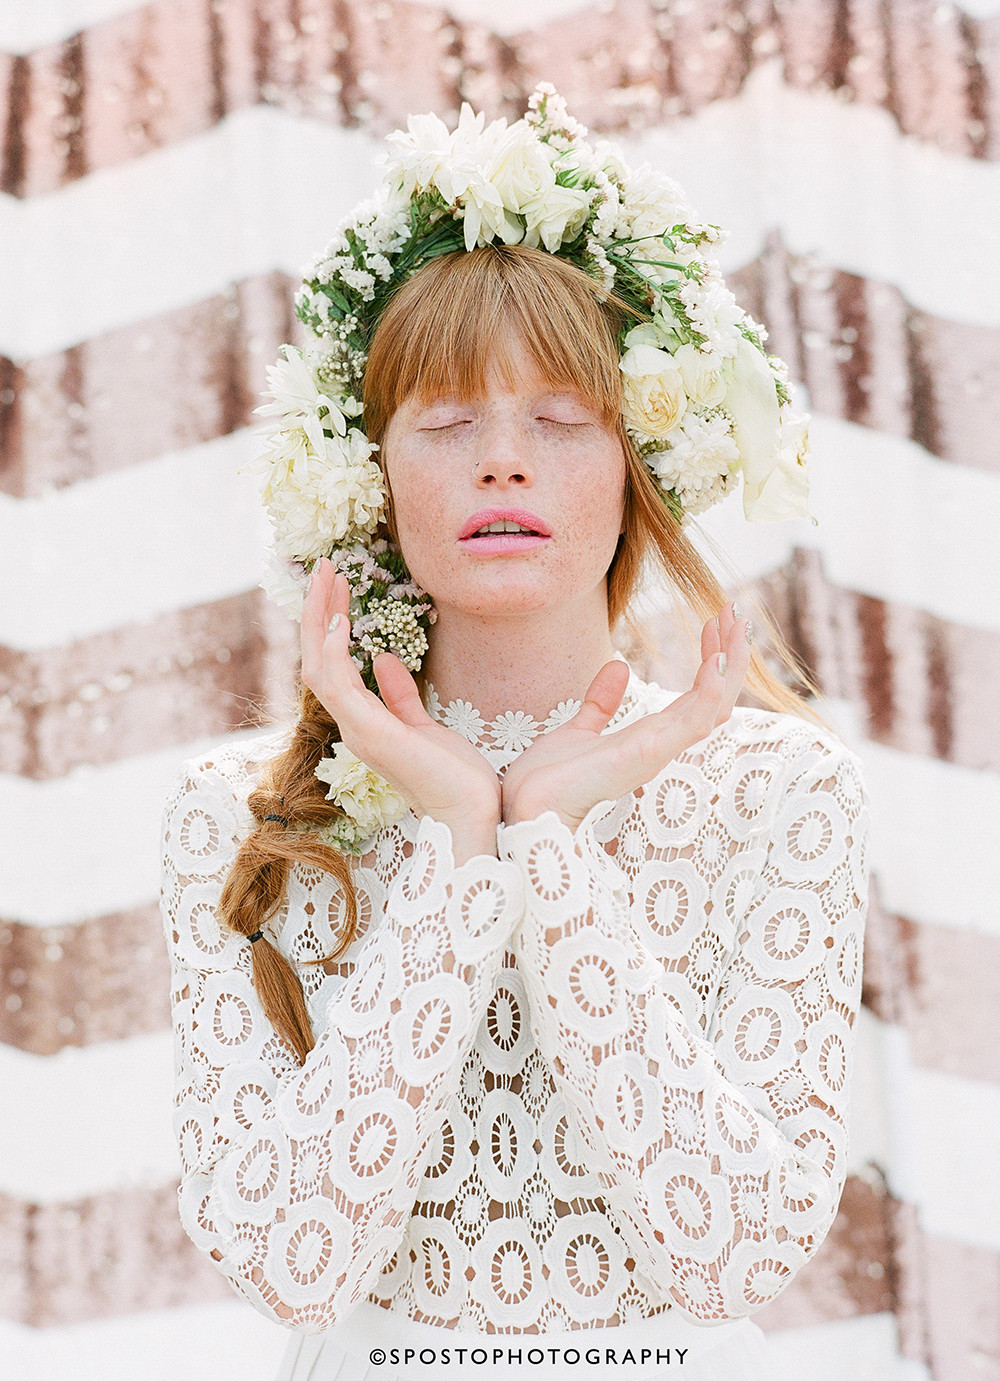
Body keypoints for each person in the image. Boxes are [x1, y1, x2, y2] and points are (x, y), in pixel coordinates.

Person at [159, 87, 870, 1381]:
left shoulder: (778, 786)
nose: (502, 461)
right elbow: (289, 1266)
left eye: (558, 419)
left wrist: (547, 840)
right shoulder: (234, 812)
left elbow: (737, 1256)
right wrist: (461, 840)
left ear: (638, 467)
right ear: (369, 470)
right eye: (444, 422)